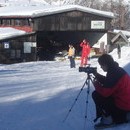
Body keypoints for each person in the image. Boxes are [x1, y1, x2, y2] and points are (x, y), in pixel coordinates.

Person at [92, 54, 130, 129]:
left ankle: (108, 120)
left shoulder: (113, 73)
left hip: (123, 105)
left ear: (105, 64)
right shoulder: (116, 70)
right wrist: (96, 75)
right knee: (102, 94)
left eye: (101, 65)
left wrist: (96, 84)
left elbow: (105, 93)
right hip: (126, 101)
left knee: (96, 95)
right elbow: (108, 82)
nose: (101, 67)